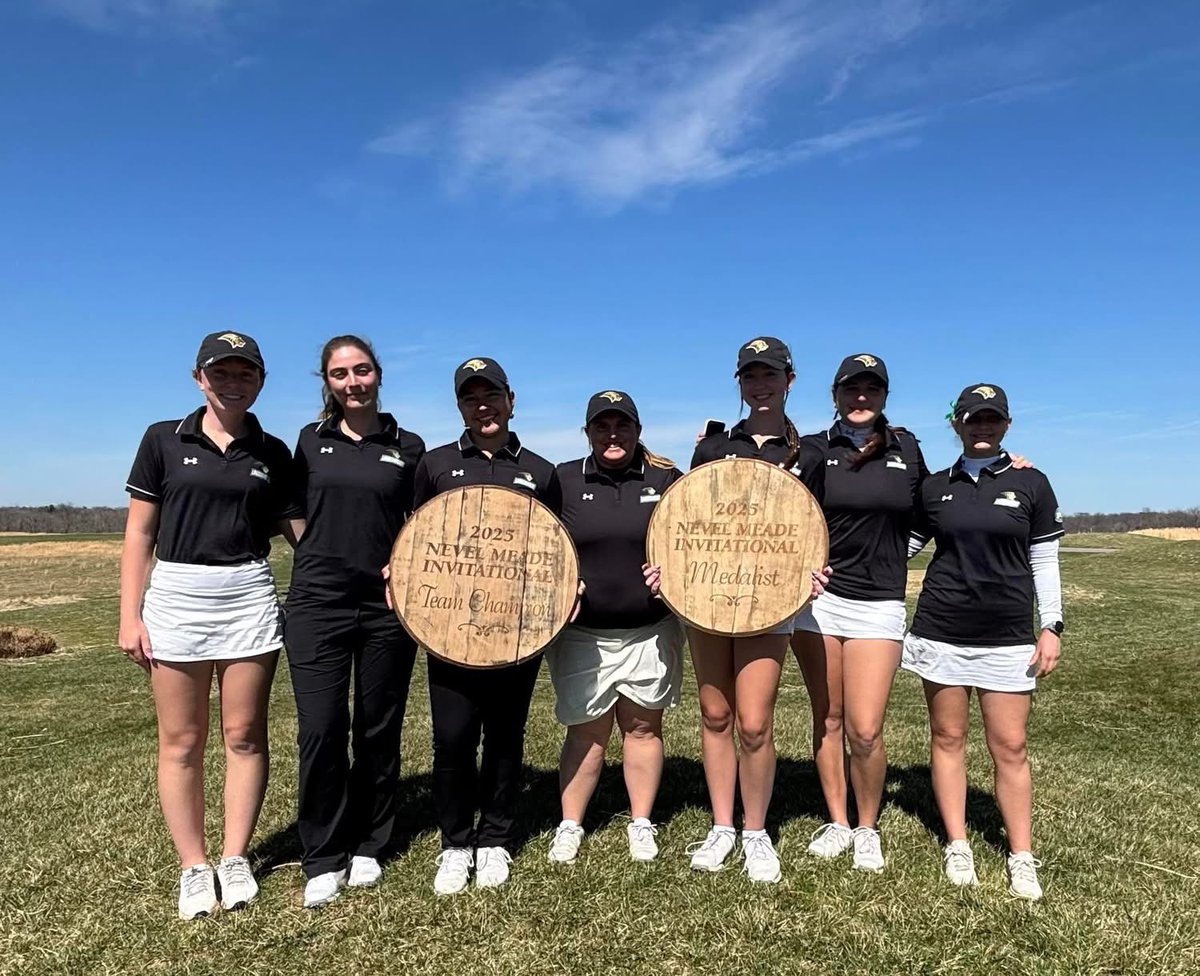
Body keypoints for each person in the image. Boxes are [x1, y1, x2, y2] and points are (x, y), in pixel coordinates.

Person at [117, 332, 302, 919]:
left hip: (248, 593)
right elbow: (140, 533)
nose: (233, 382)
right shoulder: (163, 439)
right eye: (221, 372)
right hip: (177, 595)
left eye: (245, 373)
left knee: (243, 734)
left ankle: (235, 857)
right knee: (182, 740)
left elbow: (300, 532)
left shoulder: (273, 451)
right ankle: (194, 867)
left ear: (261, 381)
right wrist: (129, 615)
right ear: (199, 378)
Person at [903, 383, 1064, 901]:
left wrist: (1052, 625)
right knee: (948, 738)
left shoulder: (1031, 482)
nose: (983, 426)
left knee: (1010, 746)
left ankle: (1021, 854)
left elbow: (1044, 559)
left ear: (1007, 424)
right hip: (942, 630)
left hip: (1008, 635)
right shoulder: (935, 487)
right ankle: (958, 843)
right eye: (973, 418)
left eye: (993, 418)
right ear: (957, 424)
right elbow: (901, 548)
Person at [410, 357, 562, 895]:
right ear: (460, 407)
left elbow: (556, 546)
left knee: (504, 736)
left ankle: (495, 838)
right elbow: (416, 538)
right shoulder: (435, 465)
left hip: (517, 628)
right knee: (452, 738)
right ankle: (455, 843)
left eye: (491, 395)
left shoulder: (541, 472)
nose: (483, 406)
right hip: (448, 625)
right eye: (471, 398)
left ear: (511, 400)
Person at [284, 335, 426, 908]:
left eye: (361, 370)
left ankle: (371, 842)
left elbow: (423, 519)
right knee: (321, 728)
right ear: (327, 382)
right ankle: (322, 854)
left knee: (377, 727)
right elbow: (290, 507)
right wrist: (316, 550)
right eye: (340, 374)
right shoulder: (309, 440)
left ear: (378, 374)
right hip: (317, 603)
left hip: (387, 606)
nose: (352, 382)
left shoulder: (408, 445)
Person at [679, 336, 827, 883]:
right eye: (750, 376)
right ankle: (723, 825)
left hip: (771, 597)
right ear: (739, 383)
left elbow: (817, 526)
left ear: (790, 381)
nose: (760, 385)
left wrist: (816, 570)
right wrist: (667, 569)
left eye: (770, 375)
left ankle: (757, 831)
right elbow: (686, 519)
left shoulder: (811, 453)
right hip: (708, 595)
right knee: (715, 715)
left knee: (755, 722)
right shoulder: (713, 447)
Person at [791, 354, 928, 873]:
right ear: (835, 395)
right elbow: (783, 507)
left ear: (885, 395)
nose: (861, 397)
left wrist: (896, 556)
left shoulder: (906, 448)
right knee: (828, 717)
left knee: (865, 728)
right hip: (820, 603)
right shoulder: (814, 448)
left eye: (872, 388)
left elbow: (930, 512)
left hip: (880, 603)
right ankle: (838, 821)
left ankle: (867, 826)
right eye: (852, 388)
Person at [545, 391, 684, 865]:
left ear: (638, 430)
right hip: (584, 632)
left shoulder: (666, 479)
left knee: (643, 728)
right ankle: (570, 824)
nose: (612, 435)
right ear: (587, 433)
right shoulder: (563, 479)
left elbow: (693, 538)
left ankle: (641, 822)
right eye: (601, 426)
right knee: (587, 731)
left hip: (650, 629)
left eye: (622, 425)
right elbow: (539, 542)